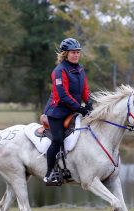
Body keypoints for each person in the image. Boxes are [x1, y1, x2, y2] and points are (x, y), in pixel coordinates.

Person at [43, 38, 92, 185]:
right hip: (57, 111)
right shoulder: (59, 71)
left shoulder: (80, 69)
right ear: (65, 54)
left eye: (78, 52)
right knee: (57, 139)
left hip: (73, 110)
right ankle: (49, 173)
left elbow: (85, 90)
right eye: (73, 52)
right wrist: (80, 108)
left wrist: (89, 103)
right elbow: (62, 95)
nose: (76, 55)